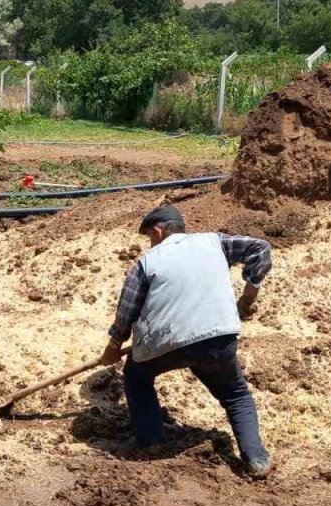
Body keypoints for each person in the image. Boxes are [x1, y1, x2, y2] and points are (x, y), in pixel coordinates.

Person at [96, 204, 274, 478]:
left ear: (158, 231)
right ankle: (256, 459)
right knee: (235, 394)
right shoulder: (216, 242)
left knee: (136, 377)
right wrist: (248, 296)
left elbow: (127, 309)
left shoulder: (146, 262)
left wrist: (114, 347)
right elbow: (260, 248)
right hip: (218, 336)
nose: (150, 243)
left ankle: (151, 441)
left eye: (149, 237)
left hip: (165, 342)